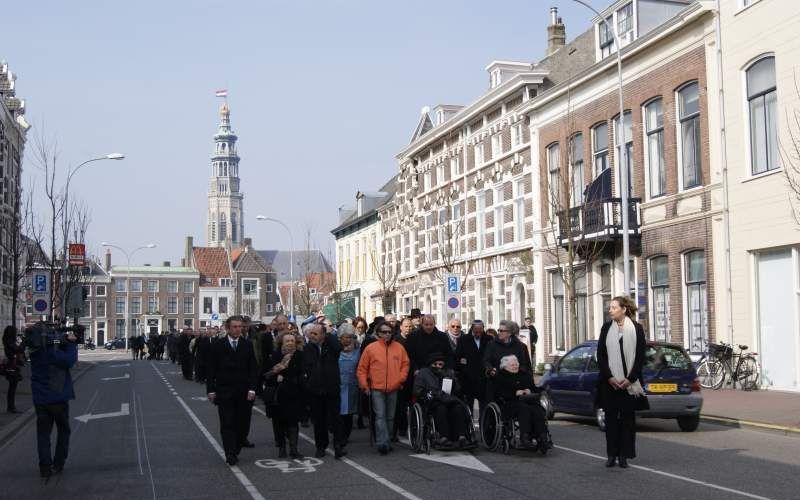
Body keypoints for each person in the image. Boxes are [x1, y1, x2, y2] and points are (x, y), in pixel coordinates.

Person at [596, 296, 647, 469]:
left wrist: (630, 379)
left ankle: (624, 456)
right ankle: (611, 455)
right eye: (609, 308)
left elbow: (640, 357)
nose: (610, 310)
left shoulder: (637, 329)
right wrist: (609, 377)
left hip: (628, 383)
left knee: (627, 421)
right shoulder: (605, 328)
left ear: (624, 309)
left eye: (613, 307)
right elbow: (601, 355)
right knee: (610, 421)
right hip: (609, 383)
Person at [206, 316, 259, 466]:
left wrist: (253, 389)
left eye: (240, 327)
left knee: (242, 424)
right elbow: (211, 369)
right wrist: (211, 390)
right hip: (224, 391)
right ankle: (230, 452)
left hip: (243, 391)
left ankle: (236, 447)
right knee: (227, 423)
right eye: (235, 327)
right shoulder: (217, 345)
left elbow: (253, 369)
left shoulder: (247, 345)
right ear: (228, 328)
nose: (238, 329)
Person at [28, 323, 78, 478]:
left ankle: (44, 467)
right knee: (63, 431)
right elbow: (69, 361)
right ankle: (58, 463)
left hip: (40, 398)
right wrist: (70, 343)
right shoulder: (53, 352)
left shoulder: (34, 351)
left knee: (43, 434)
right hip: (58, 397)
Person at [357, 322, 410, 455]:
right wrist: (364, 385)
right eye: (384, 332)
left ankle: (388, 439)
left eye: (389, 332)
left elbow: (405, 364)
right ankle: (383, 443)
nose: (387, 334)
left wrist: (400, 379)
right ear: (379, 333)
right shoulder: (371, 348)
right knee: (380, 416)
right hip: (376, 388)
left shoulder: (399, 347)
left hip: (394, 387)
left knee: (390, 417)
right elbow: (362, 369)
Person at [302, 323, 347, 459]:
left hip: (331, 388)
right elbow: (306, 367)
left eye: (316, 333)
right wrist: (309, 384)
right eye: (311, 333)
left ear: (323, 335)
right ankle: (320, 446)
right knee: (319, 420)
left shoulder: (331, 346)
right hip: (316, 390)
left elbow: (340, 347)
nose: (312, 336)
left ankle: (338, 446)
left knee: (336, 419)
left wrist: (327, 334)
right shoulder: (308, 348)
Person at [263, 331, 305, 459]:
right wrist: (276, 377)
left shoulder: (300, 356)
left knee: (293, 422)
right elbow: (266, 375)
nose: (290, 343)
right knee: (279, 423)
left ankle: (293, 449)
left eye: (292, 341)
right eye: (287, 341)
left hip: (294, 394)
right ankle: (282, 447)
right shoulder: (274, 356)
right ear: (281, 342)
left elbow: (301, 373)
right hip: (278, 395)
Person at [493, 355, 548, 449]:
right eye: (512, 365)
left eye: (516, 364)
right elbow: (499, 393)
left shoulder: (524, 375)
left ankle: (542, 437)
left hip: (528, 401)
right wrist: (515, 393)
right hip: (510, 403)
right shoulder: (500, 376)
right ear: (505, 366)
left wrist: (530, 391)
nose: (515, 366)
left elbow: (534, 388)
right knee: (524, 408)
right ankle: (525, 437)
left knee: (538, 408)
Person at [413, 353, 467, 448]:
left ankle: (461, 436)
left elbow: (458, 390)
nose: (438, 366)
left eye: (440, 364)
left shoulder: (448, 372)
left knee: (458, 407)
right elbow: (417, 390)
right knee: (441, 408)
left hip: (448, 399)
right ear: (431, 364)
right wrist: (426, 393)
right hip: (432, 401)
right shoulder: (424, 373)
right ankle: (443, 437)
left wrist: (453, 383)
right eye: (435, 364)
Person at [454, 320, 489, 415]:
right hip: (468, 378)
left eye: (480, 331)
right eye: (475, 331)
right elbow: (458, 357)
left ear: (483, 329)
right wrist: (462, 365)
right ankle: (469, 426)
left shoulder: (489, 339)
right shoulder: (464, 339)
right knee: (468, 404)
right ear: (472, 329)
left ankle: (484, 426)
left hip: (484, 378)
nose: (478, 334)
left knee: (484, 405)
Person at [337, 324, 360, 446]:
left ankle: (345, 435)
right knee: (338, 412)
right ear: (340, 338)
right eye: (345, 337)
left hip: (352, 385)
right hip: (338, 385)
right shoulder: (335, 350)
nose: (348, 339)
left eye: (350, 336)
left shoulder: (358, 350)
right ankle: (338, 434)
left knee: (349, 413)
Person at [3, 326, 22, 413]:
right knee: (12, 387)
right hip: (12, 366)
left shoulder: (7, 340)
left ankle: (11, 407)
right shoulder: (10, 342)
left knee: (12, 387)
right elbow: (17, 349)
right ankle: (11, 407)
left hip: (12, 365)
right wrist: (23, 343)